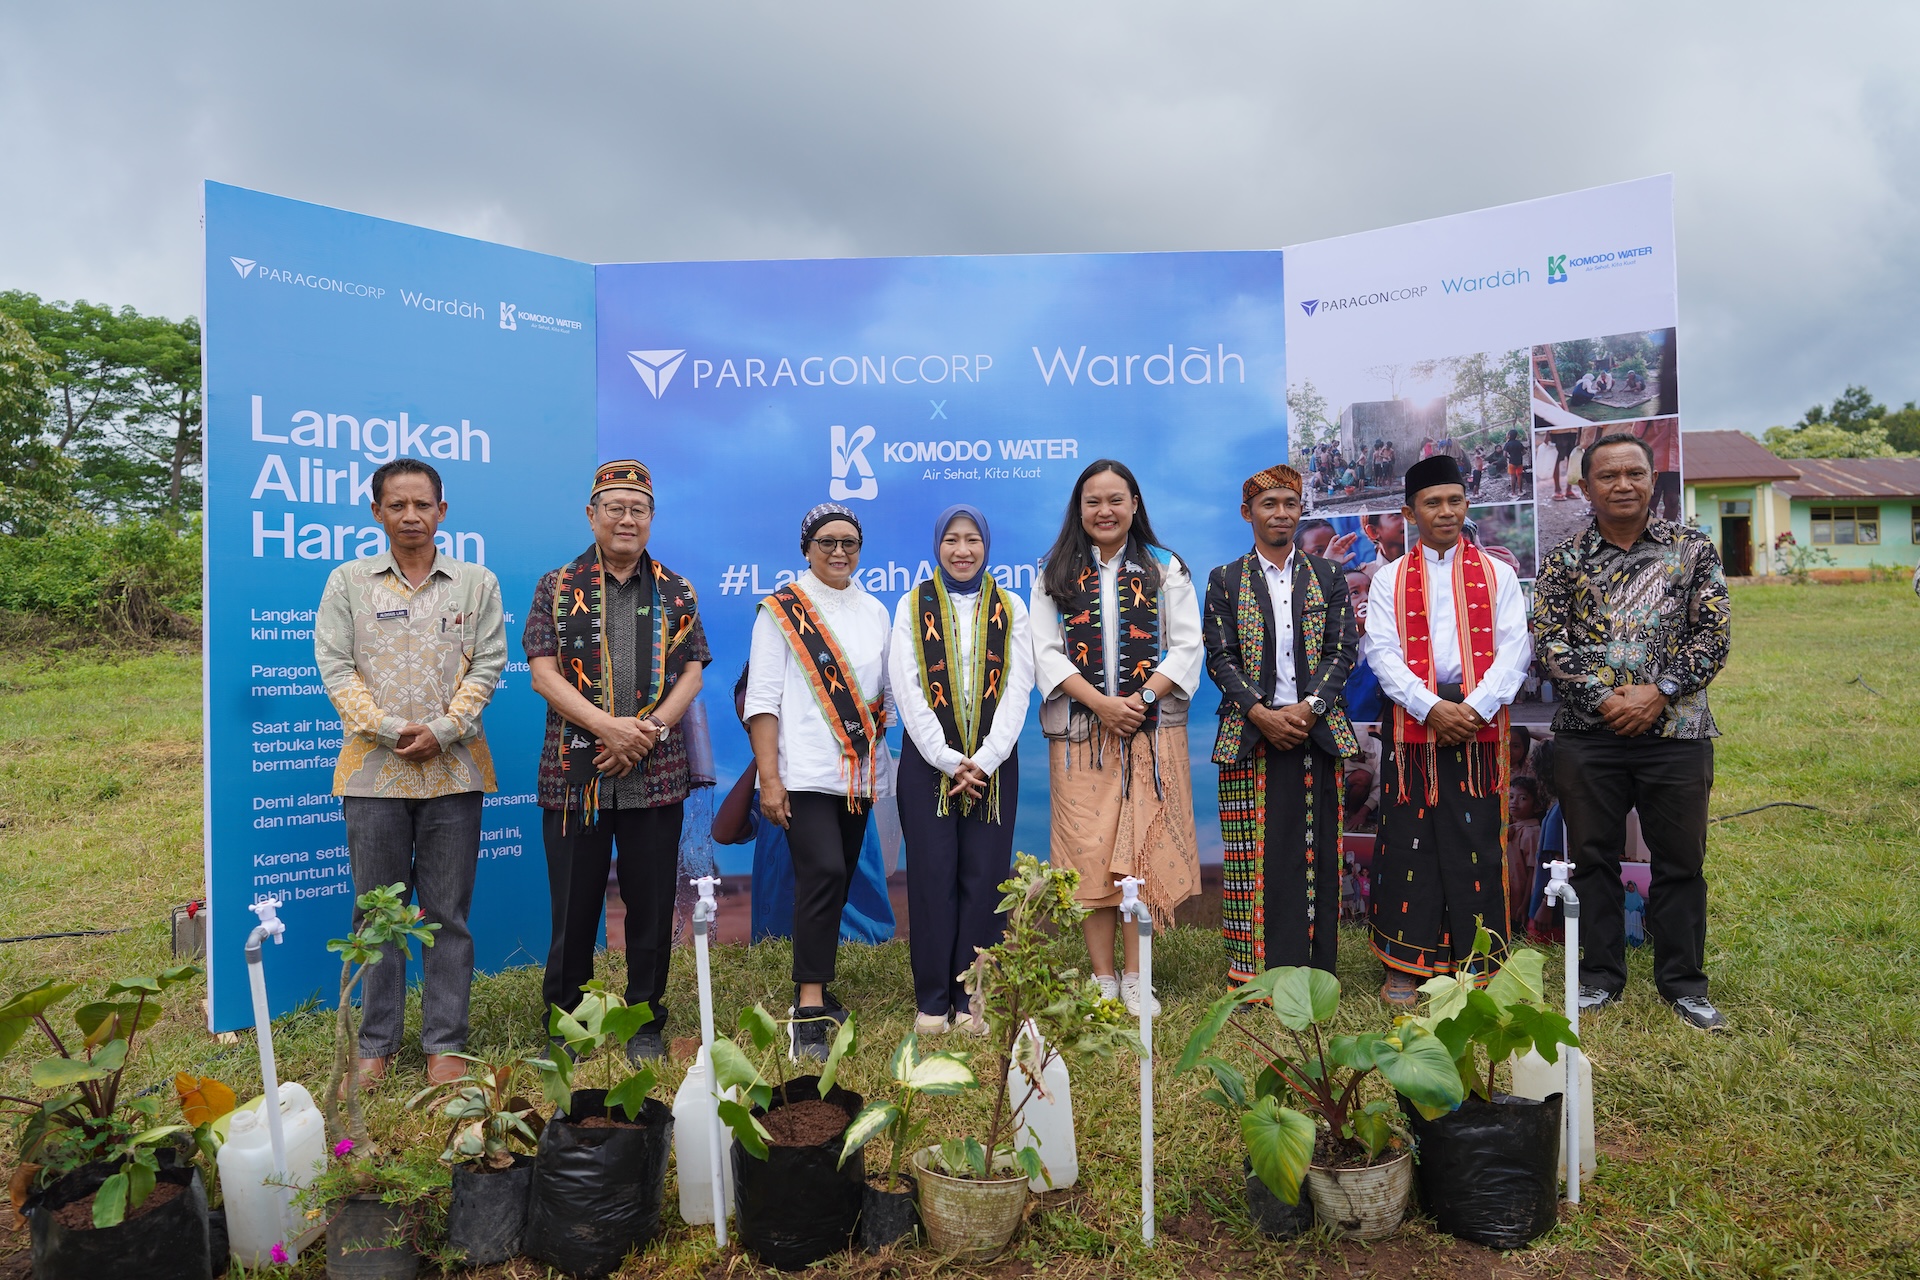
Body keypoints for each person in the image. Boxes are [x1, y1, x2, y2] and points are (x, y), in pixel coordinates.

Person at [314, 458, 505, 1088]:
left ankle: (445, 1043)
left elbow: (489, 667)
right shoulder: (347, 582)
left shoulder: (477, 583)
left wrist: (444, 730)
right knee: (376, 915)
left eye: (422, 505)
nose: (411, 516)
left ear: (442, 511)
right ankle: (375, 1043)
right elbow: (336, 669)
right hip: (373, 773)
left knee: (447, 914)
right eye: (397, 506)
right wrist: (393, 732)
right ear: (377, 513)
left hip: (454, 771)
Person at [1532, 432, 1732, 1031]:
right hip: (1587, 735)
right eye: (1608, 475)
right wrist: (1603, 698)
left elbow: (1713, 635)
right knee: (1590, 858)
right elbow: (1549, 640)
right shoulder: (1564, 559)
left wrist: (1659, 692)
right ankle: (1598, 977)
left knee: (1679, 861)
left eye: (1634, 473)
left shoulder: (1692, 550)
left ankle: (1683, 984)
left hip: (1675, 732)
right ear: (1584, 485)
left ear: (1653, 479)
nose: (1623, 484)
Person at [523, 461, 709, 1061]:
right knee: (574, 902)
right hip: (575, 769)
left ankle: (645, 1018)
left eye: (638, 509)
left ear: (651, 518)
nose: (627, 519)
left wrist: (647, 730)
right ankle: (568, 1018)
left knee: (652, 901)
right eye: (615, 507)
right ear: (591, 514)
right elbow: (543, 673)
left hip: (655, 771)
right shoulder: (557, 586)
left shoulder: (677, 590)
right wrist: (607, 727)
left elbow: (692, 672)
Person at [1031, 459, 1203, 1014]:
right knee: (1089, 855)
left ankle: (1136, 976)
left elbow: (1185, 645)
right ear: (1078, 510)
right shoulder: (1053, 570)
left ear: (1134, 505)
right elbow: (1045, 653)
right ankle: (1102, 977)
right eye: (1092, 501)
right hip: (1082, 734)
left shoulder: (1164, 566)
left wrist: (1142, 700)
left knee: (1137, 854)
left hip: (1148, 734)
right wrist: (1103, 705)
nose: (1104, 511)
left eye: (1115, 500)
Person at [1363, 455, 1532, 1005]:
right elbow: (1381, 653)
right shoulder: (1389, 577)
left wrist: (1476, 707)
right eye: (1432, 503)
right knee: (1409, 842)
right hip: (1415, 719)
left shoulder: (1498, 573)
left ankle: (1477, 962)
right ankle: (1405, 965)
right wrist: (1431, 707)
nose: (1446, 512)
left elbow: (1515, 649)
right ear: (1410, 512)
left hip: (1478, 721)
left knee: (1476, 839)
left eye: (1455, 500)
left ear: (1467, 504)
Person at [745, 503, 894, 1059]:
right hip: (802, 774)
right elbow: (762, 700)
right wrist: (770, 778)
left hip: (858, 776)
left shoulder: (876, 611)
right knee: (822, 873)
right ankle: (808, 1008)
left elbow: (888, 696)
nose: (839, 551)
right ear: (806, 546)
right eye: (827, 541)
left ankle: (821, 987)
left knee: (837, 878)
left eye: (849, 542)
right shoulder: (780, 611)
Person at [1204, 464, 1361, 983]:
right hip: (1250, 735)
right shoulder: (1225, 579)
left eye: (1290, 504)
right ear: (1247, 513)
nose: (1281, 514)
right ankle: (1252, 971)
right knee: (1254, 855)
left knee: (1315, 852)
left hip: (1316, 731)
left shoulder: (1329, 575)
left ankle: (1314, 972)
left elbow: (1343, 650)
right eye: (1269, 504)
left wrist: (1309, 707)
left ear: (1300, 511)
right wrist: (1262, 714)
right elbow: (1220, 658)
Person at [889, 505, 1034, 1035]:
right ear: (937, 546)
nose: (963, 550)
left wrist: (986, 759)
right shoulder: (911, 606)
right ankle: (932, 1000)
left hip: (994, 766)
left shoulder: (1012, 607)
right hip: (929, 766)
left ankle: (974, 998)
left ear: (987, 545)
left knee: (986, 878)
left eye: (972, 539)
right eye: (952, 539)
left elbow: (1019, 688)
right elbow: (906, 688)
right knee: (931, 878)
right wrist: (949, 759)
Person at [713, 664, 894, 945]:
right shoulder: (770, 788)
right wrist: (763, 756)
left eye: (768, 721)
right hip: (775, 940)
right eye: (750, 728)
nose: (758, 733)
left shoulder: (836, 776)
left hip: (845, 938)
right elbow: (724, 832)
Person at [1546, 428, 1580, 499]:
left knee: (1572, 460)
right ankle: (1557, 490)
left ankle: (1569, 490)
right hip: (1558, 432)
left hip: (1574, 431)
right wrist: (1547, 434)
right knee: (1556, 460)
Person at [1503, 429, 1528, 498]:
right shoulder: (1519, 443)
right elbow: (1524, 452)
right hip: (1519, 461)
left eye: (1507, 434)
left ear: (1509, 436)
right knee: (1519, 476)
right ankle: (1520, 491)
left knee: (1513, 476)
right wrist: (1519, 455)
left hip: (1512, 462)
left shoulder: (1507, 444)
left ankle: (1513, 493)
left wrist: (1509, 457)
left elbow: (1504, 455)